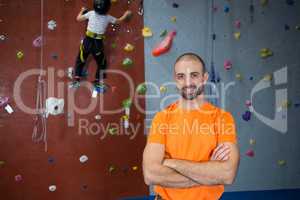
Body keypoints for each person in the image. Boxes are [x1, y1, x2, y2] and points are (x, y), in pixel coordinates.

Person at [143, 53, 240, 200]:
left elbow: (227, 175)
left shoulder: (222, 119)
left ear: (204, 78)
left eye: (194, 75)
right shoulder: (162, 118)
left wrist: (169, 162)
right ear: (176, 80)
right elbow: (151, 174)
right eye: (181, 76)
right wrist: (208, 172)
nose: (188, 82)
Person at [70, 0, 132, 90]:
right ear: (107, 8)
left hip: (87, 41)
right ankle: (97, 81)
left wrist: (82, 10)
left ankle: (76, 79)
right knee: (102, 63)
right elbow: (118, 21)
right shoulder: (108, 18)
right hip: (97, 44)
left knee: (80, 59)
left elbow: (78, 18)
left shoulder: (90, 13)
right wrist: (126, 15)